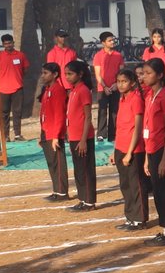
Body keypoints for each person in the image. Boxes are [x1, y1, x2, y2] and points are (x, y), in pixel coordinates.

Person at [139, 58, 165, 246]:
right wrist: (148, 158)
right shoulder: (149, 95)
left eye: (148, 73)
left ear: (160, 75)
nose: (144, 77)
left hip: (163, 150)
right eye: (144, 73)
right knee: (157, 191)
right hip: (152, 149)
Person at [112, 65, 148, 231]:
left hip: (133, 150)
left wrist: (129, 153)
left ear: (132, 83)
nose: (120, 84)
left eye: (124, 81)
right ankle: (130, 217)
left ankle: (139, 219)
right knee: (125, 185)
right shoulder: (122, 99)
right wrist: (115, 150)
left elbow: (137, 128)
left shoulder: (136, 99)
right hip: (120, 148)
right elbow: (120, 127)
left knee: (136, 185)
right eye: (118, 81)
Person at [62, 59, 98, 211]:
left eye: (70, 74)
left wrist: (83, 140)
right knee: (79, 170)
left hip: (83, 138)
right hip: (74, 136)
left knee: (86, 170)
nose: (67, 77)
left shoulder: (83, 90)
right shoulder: (73, 90)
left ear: (80, 74)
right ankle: (82, 199)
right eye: (65, 74)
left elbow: (88, 117)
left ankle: (89, 201)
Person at [37, 63, 69, 201]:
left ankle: (62, 192)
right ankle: (56, 190)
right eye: (42, 73)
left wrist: (56, 136)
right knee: (51, 162)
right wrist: (42, 133)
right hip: (47, 131)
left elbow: (59, 114)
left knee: (58, 163)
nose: (43, 76)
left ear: (55, 74)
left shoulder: (58, 90)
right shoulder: (47, 89)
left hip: (54, 132)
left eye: (46, 73)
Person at [0, 33, 29, 141]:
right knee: (4, 113)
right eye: (6, 44)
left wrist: (18, 78)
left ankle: (17, 135)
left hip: (17, 88)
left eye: (10, 43)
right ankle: (5, 136)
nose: (8, 45)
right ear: (3, 44)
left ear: (13, 43)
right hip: (3, 89)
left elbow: (25, 69)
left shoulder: (21, 55)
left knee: (17, 112)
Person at [92, 32, 122, 143]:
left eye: (113, 40)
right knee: (102, 110)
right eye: (109, 40)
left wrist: (116, 84)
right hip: (102, 88)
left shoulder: (118, 55)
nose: (112, 42)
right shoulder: (98, 56)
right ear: (103, 43)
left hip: (115, 87)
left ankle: (112, 134)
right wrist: (104, 87)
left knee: (114, 111)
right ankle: (101, 134)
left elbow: (121, 72)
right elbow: (98, 74)